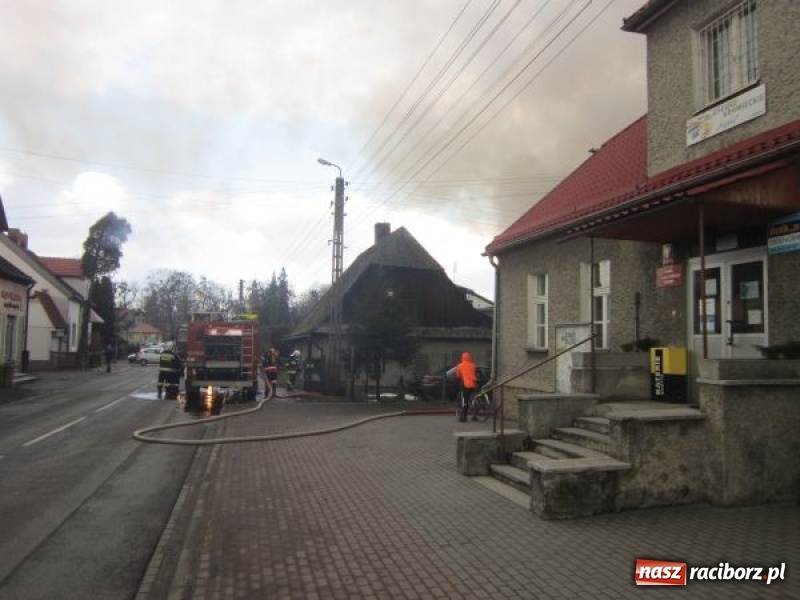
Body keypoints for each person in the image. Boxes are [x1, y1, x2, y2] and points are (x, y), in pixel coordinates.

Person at [454, 351, 478, 422]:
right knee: (473, 400)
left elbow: (458, 376)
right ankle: (475, 415)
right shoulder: (473, 365)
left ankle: (464, 417)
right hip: (474, 384)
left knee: (465, 401)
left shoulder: (460, 365)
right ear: (469, 358)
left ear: (462, 358)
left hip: (466, 385)